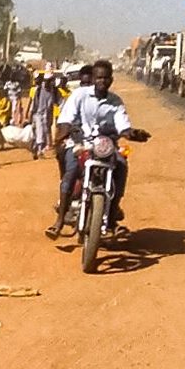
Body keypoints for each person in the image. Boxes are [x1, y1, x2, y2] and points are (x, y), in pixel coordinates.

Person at [46, 60, 150, 239]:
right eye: (99, 77)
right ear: (93, 79)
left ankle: (112, 216)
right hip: (80, 144)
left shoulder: (116, 102)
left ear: (111, 79)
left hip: (105, 146)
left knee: (122, 165)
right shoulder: (79, 96)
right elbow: (66, 120)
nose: (102, 81)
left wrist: (133, 134)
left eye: (106, 78)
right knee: (70, 172)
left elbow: (122, 126)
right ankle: (60, 221)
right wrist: (64, 134)